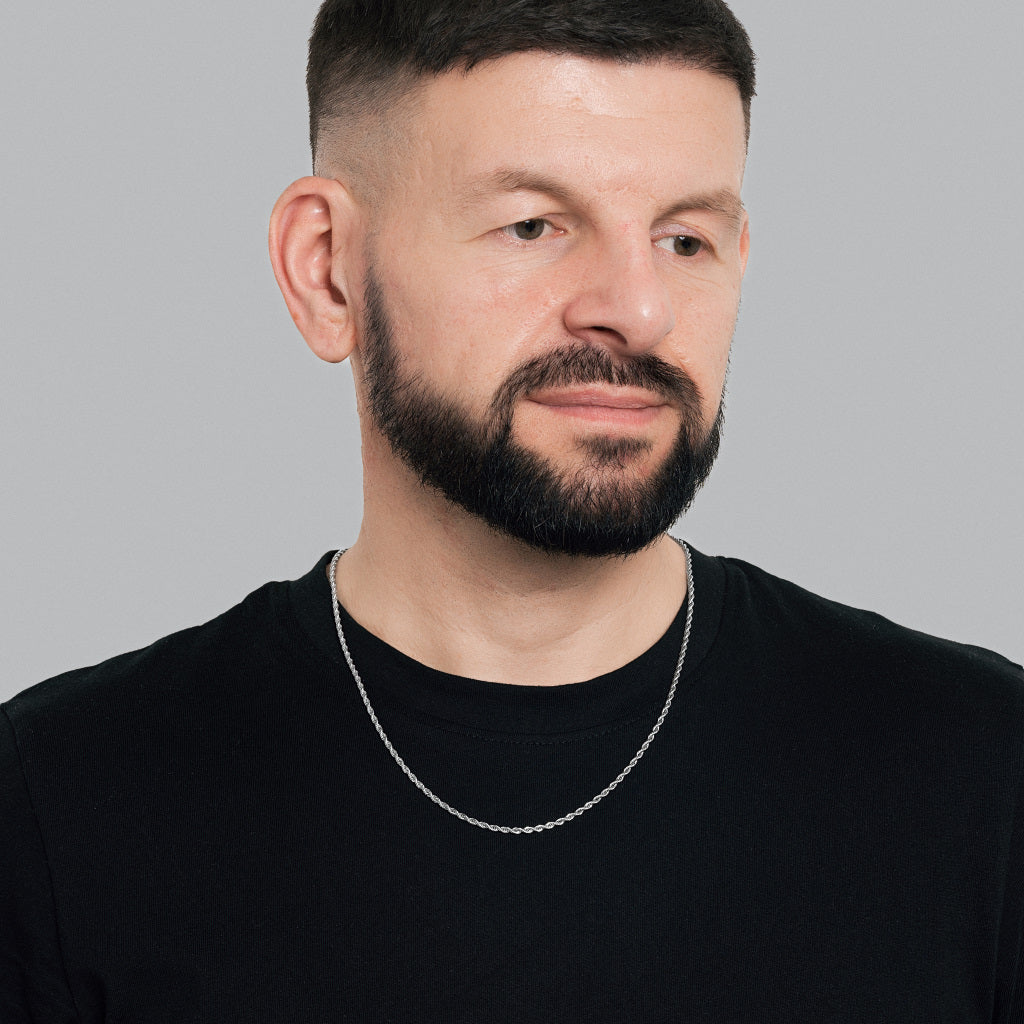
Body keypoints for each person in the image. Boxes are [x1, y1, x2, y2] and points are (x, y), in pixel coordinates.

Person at [2, 0, 1021, 1019]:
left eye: (683, 239)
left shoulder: (985, 772)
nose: (637, 307)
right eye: (533, 224)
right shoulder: (53, 805)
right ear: (325, 271)